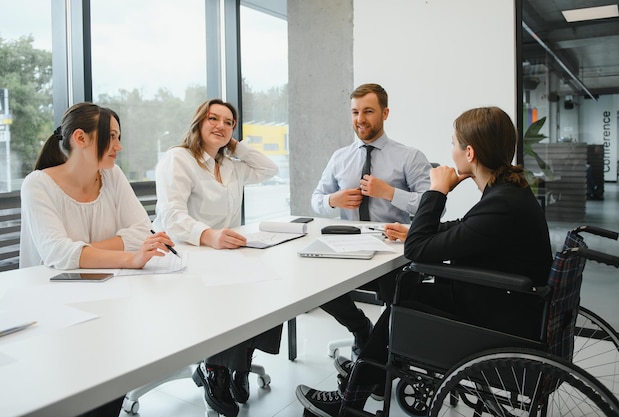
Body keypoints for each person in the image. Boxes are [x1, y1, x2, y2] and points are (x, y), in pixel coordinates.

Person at [296, 106, 553, 416]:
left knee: (403, 301)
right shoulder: (507, 194)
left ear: (469, 152)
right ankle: (365, 377)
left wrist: (437, 190)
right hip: (506, 305)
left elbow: (417, 251)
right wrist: (414, 230)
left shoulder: (502, 202)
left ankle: (354, 393)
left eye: (454, 143)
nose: (451, 150)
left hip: (500, 320)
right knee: (406, 297)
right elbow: (465, 228)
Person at [19, 102, 176, 416]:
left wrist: (81, 252)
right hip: (54, 309)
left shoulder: (112, 175)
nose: (119, 146)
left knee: (109, 388)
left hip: (108, 299)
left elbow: (140, 230)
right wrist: (127, 259)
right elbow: (57, 253)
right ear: (81, 138)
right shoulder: (37, 184)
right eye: (112, 137)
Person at [153, 98, 282, 417]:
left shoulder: (231, 165)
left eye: (228, 122)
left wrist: (235, 146)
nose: (221, 126)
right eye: (213, 118)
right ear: (198, 122)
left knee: (269, 287)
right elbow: (171, 215)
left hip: (223, 254)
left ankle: (240, 364)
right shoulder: (179, 158)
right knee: (231, 294)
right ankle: (215, 370)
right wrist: (209, 235)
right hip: (185, 254)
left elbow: (270, 168)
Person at [311, 83, 431, 359]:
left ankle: (381, 356)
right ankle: (360, 328)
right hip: (348, 247)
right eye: (355, 112)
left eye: (368, 111)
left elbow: (432, 206)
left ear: (385, 113)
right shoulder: (340, 158)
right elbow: (316, 199)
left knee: (398, 298)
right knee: (315, 284)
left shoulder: (409, 157)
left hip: (391, 250)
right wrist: (334, 200)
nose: (360, 119)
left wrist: (390, 193)